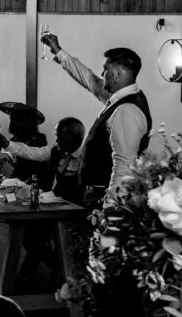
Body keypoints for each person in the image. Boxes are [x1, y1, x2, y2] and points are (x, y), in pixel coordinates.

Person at [40, 35, 152, 206]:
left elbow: (124, 165)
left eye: (105, 69)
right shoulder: (120, 98)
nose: (102, 74)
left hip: (104, 199)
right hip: (92, 194)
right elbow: (90, 80)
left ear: (117, 73)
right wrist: (59, 52)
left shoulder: (126, 110)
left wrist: (110, 208)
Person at [0, 117, 86, 204]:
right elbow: (31, 152)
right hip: (55, 203)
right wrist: (6, 143)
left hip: (78, 207)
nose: (57, 140)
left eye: (61, 136)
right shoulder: (55, 150)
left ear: (74, 137)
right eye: (56, 135)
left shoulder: (88, 156)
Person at [0, 102, 51, 186]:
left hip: (35, 185)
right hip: (16, 182)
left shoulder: (39, 140)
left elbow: (32, 161)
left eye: (13, 119)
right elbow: (10, 159)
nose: (11, 123)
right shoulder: (14, 139)